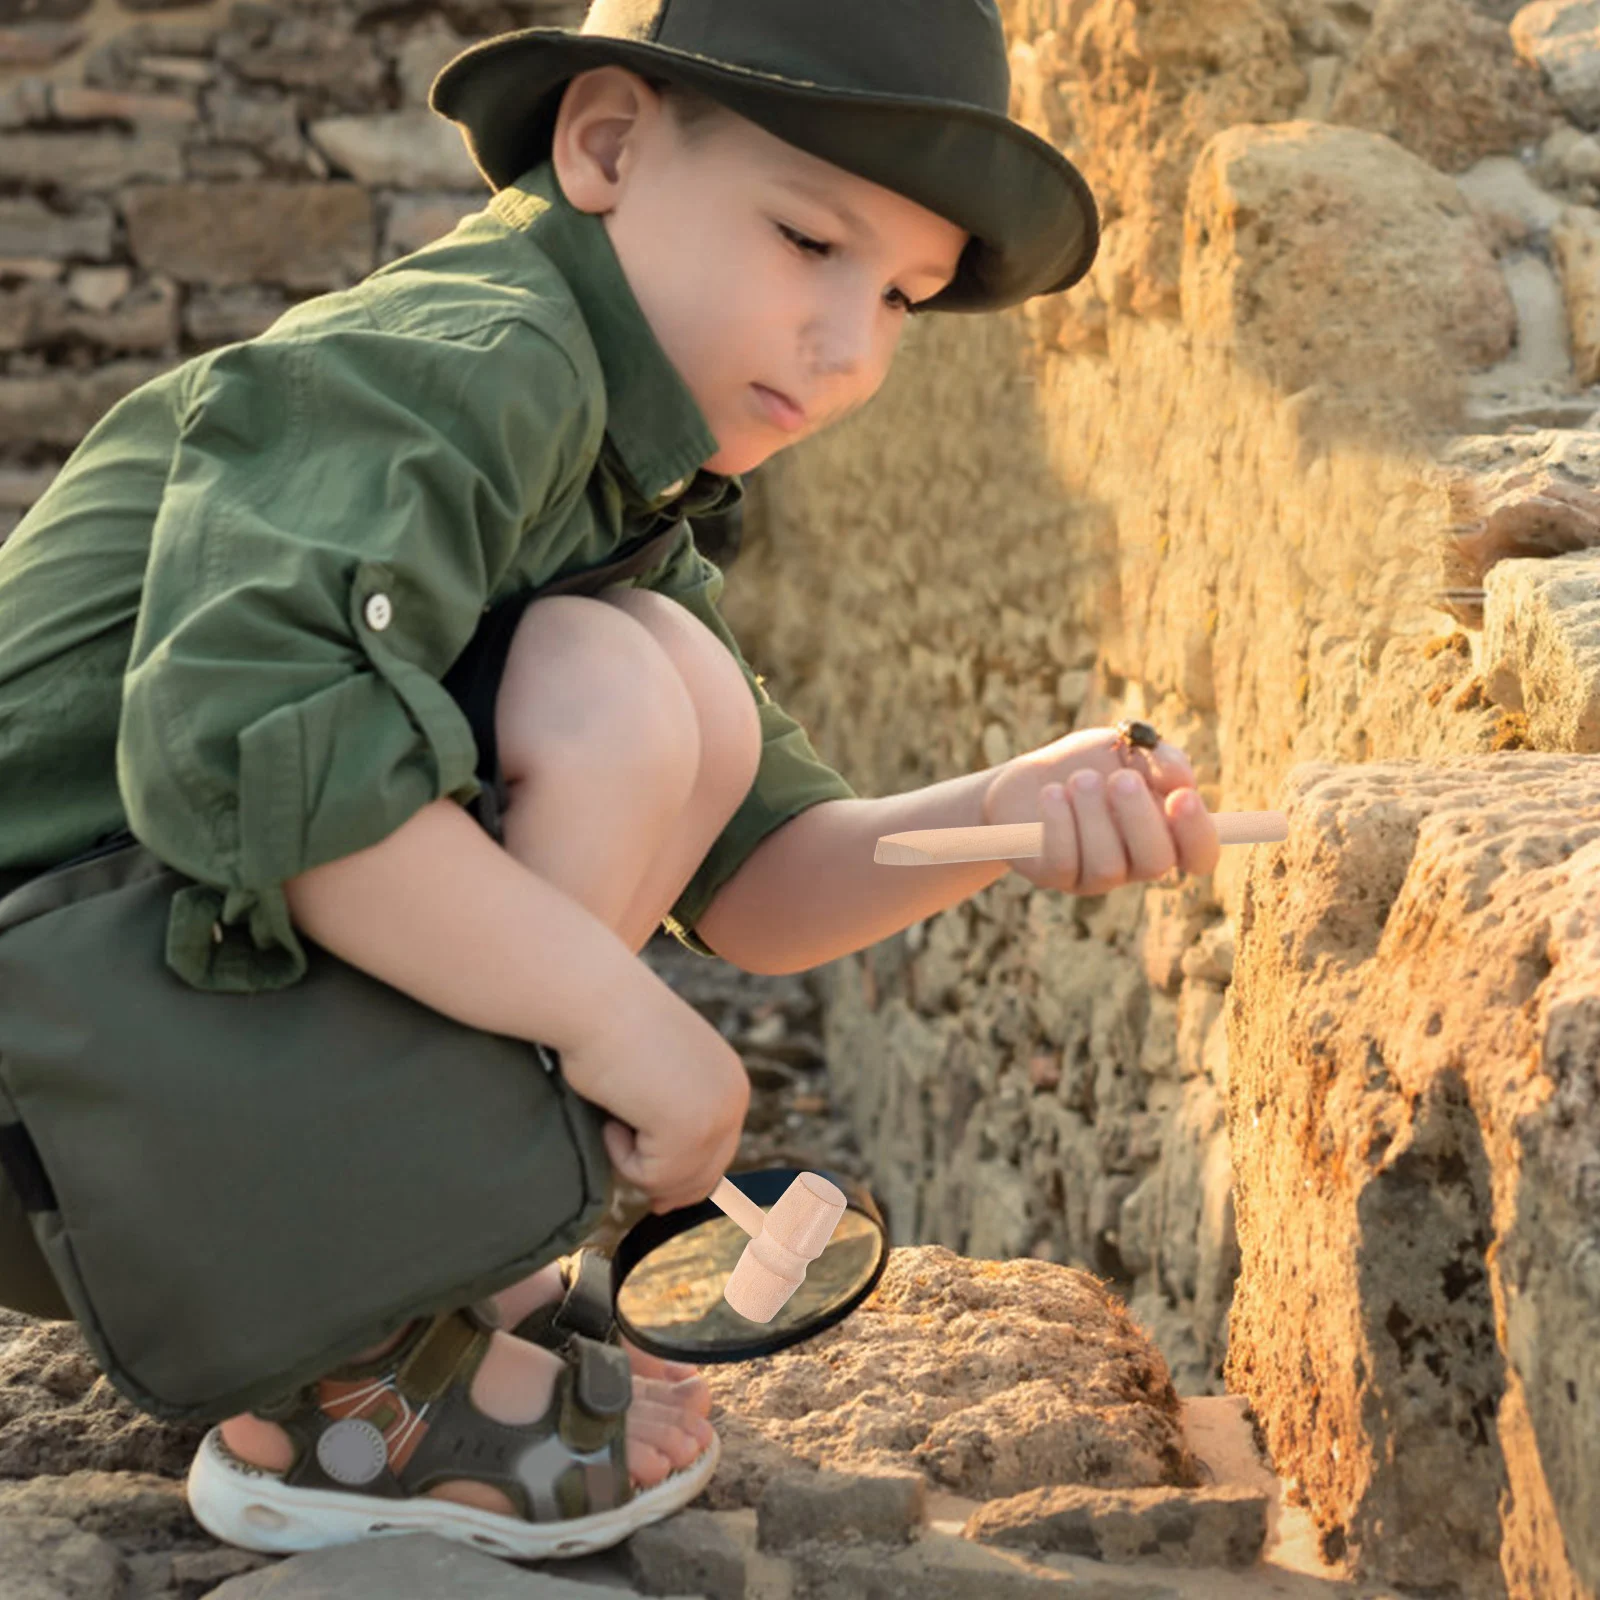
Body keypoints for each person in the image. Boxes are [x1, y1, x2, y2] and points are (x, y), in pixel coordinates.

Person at [0, 0, 1221, 1563]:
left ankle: (447, 1295)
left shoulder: (619, 485)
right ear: (608, 145)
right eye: (807, 242)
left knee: (670, 682)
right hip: (59, 1070)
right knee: (612, 684)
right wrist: (615, 1018)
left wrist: (1009, 814)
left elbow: (762, 876)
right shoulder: (467, 358)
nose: (851, 350)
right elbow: (257, 751)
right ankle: (347, 1378)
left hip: (133, 1071)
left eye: (904, 298)